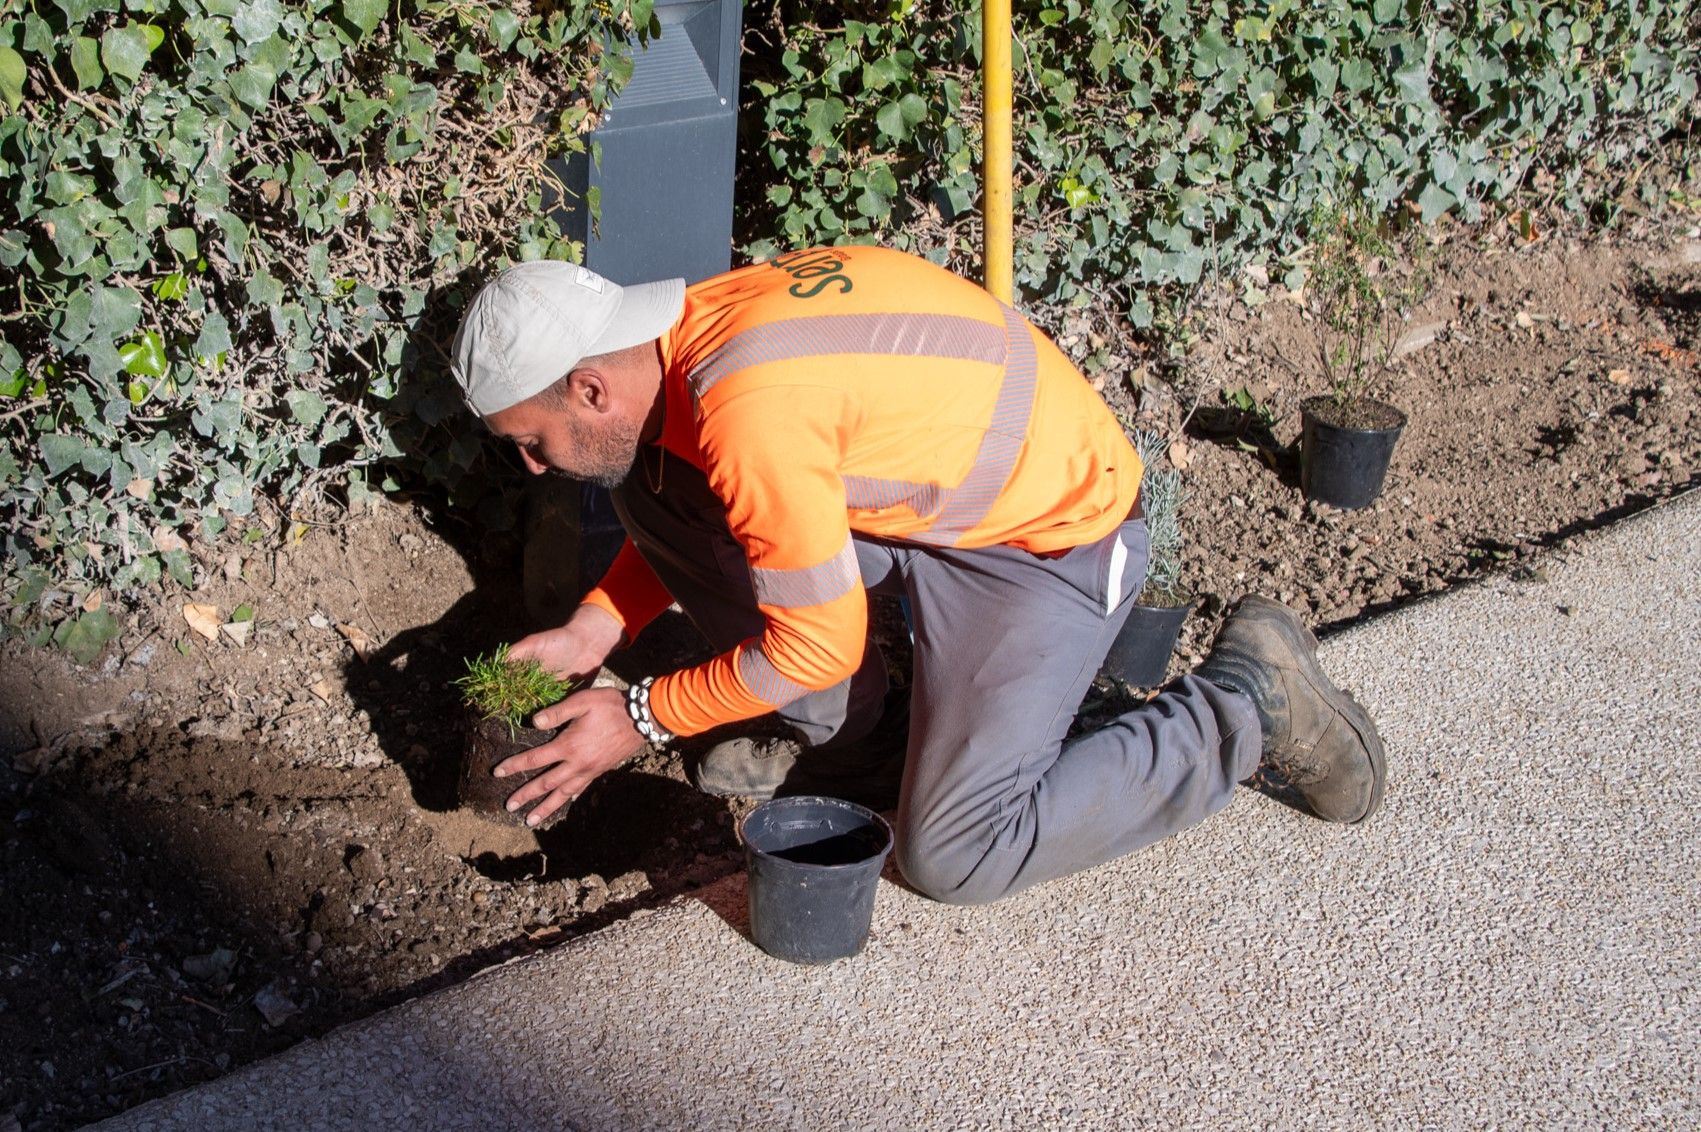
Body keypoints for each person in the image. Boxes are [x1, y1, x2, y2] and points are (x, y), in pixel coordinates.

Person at [449, 247, 1385, 906]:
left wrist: (645, 715)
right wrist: (600, 625)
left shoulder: (749, 411)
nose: (532, 466)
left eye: (530, 442)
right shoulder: (690, 335)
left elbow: (817, 642)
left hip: (1045, 541)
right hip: (933, 504)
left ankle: (1245, 706)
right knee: (656, 490)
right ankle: (870, 754)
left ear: (589, 388)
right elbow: (710, 516)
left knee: (957, 856)